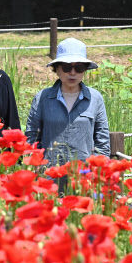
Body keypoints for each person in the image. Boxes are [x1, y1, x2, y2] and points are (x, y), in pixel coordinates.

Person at [25, 38, 110, 193]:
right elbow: (32, 138)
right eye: (66, 67)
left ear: (85, 70)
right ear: (56, 69)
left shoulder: (95, 98)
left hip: (84, 177)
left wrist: (97, 174)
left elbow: (102, 142)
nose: (72, 72)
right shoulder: (42, 98)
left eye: (78, 67)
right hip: (49, 177)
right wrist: (34, 169)